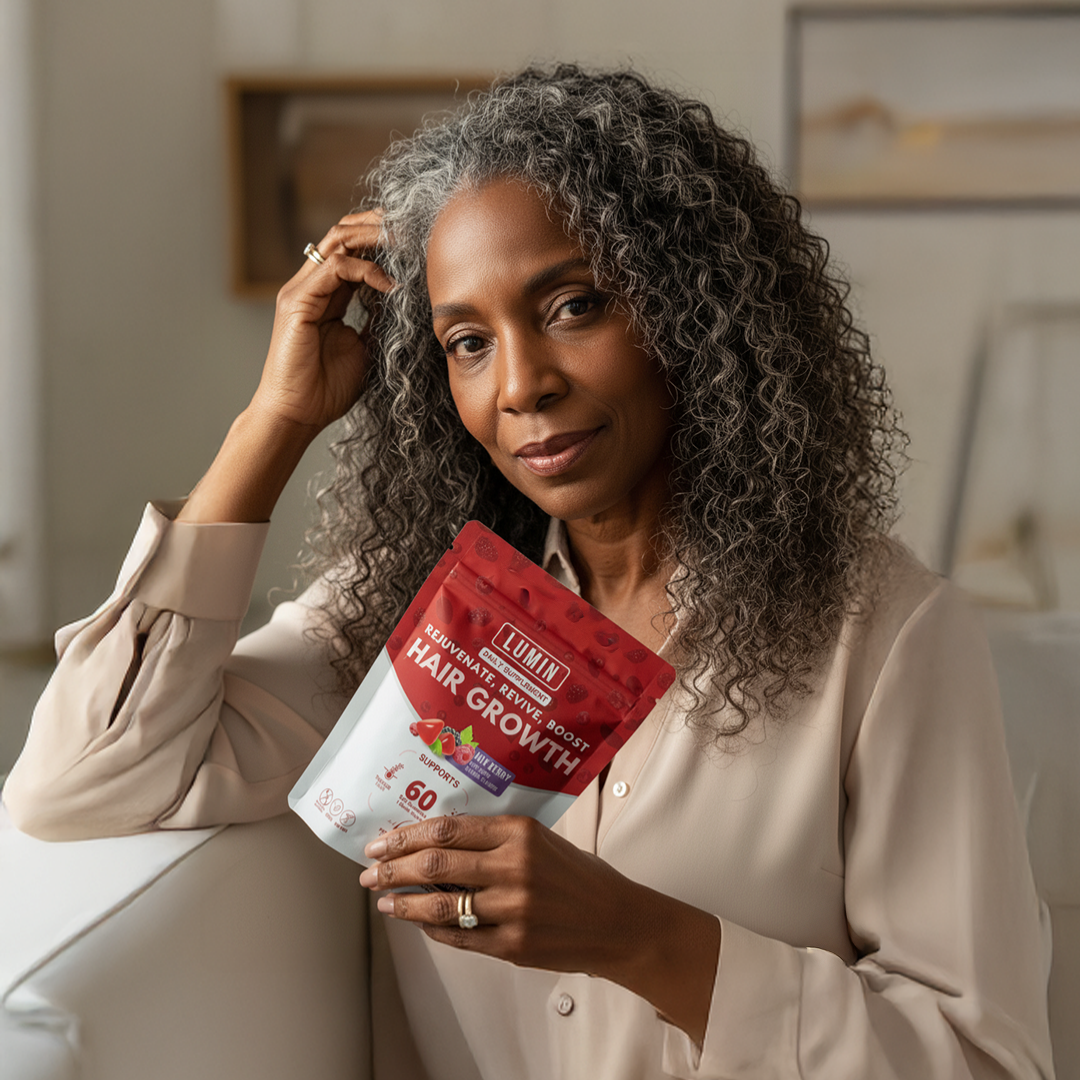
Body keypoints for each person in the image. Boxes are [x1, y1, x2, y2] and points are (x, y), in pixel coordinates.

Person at [3, 65, 1054, 1079]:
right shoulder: (408, 612)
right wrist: (275, 422)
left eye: (572, 307)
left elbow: (979, 1061)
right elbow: (83, 779)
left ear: (697, 312)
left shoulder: (885, 638)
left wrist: (643, 939)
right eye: (466, 341)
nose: (521, 387)